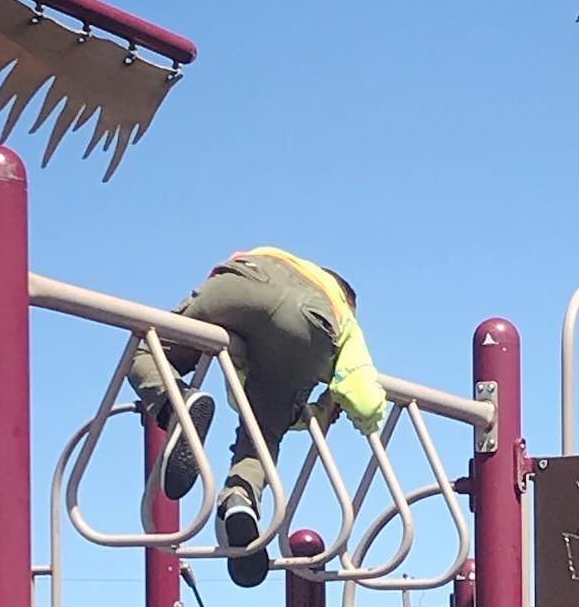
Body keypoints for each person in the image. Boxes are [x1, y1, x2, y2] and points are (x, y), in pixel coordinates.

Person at [128, 246, 389, 587]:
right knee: (263, 435)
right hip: (312, 325)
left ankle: (175, 405)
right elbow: (365, 397)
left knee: (148, 348)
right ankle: (241, 498)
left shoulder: (276, 256)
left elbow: (221, 273)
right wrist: (333, 406)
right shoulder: (343, 316)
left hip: (245, 281)